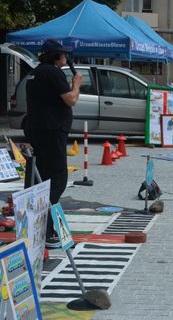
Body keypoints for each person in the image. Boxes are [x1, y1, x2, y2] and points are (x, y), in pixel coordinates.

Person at [26, 39, 82, 249]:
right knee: (58, 178)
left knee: (42, 179)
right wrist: (76, 84)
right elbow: (71, 100)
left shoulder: (37, 72)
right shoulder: (52, 72)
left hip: (39, 131)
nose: (66, 58)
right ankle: (48, 232)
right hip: (52, 132)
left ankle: (40, 229)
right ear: (56, 56)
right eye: (64, 55)